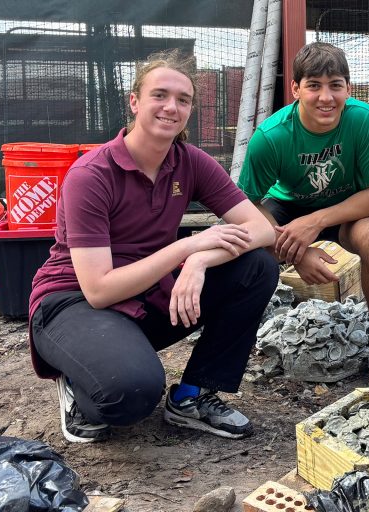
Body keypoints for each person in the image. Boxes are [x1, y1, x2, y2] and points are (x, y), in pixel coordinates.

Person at [28, 49, 279, 443]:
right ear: (134, 101)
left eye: (183, 99)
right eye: (159, 95)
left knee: (257, 267)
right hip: (72, 302)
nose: (171, 107)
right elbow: (98, 290)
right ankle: (80, 380)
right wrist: (184, 250)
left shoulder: (189, 162)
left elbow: (263, 230)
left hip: (146, 293)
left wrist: (198, 260)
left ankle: (193, 396)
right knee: (130, 394)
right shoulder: (92, 175)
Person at [238, 42, 369, 387]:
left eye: (335, 85)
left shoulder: (364, 121)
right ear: (296, 89)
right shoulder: (270, 137)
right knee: (248, 242)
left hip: (349, 206)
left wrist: (316, 221)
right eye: (314, 85)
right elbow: (243, 204)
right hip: (288, 207)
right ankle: (236, 338)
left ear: (349, 88)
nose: (325, 97)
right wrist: (295, 251)